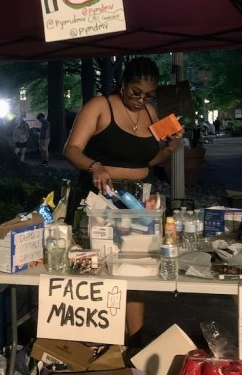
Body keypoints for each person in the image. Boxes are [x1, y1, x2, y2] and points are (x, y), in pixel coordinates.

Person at [63, 57, 183, 346]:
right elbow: (71, 149)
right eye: (135, 92)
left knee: (136, 269)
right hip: (100, 197)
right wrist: (94, 166)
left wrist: (171, 148)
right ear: (122, 84)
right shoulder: (99, 106)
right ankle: (93, 341)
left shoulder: (154, 115)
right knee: (96, 267)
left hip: (138, 201)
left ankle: (134, 341)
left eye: (148, 95)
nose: (141, 100)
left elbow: (147, 160)